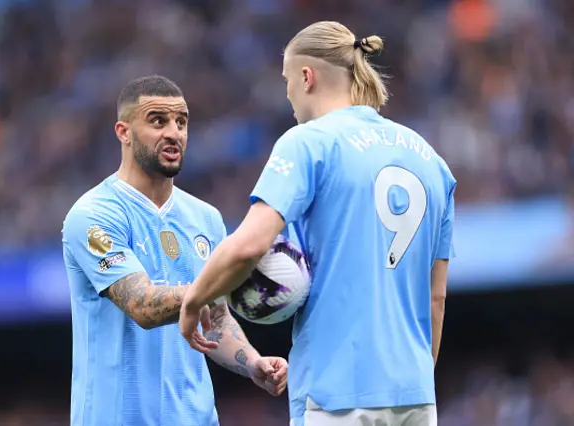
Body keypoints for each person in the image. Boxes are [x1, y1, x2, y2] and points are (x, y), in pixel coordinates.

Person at [179, 21, 455, 426]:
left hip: (336, 392)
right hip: (414, 395)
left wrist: (195, 300)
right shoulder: (433, 161)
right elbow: (436, 299)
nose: (288, 95)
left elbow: (250, 245)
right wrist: (411, 386)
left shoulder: (309, 141)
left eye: (287, 81)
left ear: (306, 77)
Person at [62, 75, 288, 426]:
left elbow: (216, 318)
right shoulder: (93, 215)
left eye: (181, 122)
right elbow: (142, 305)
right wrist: (209, 286)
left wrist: (252, 361)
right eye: (158, 121)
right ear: (123, 132)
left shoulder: (206, 219)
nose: (174, 132)